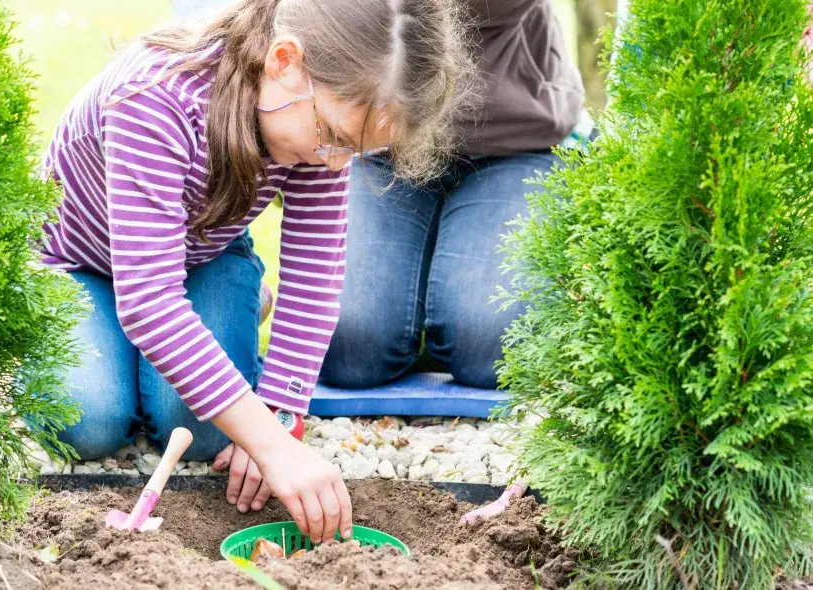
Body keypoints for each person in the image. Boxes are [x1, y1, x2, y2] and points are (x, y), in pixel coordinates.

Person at [38, 0, 464, 543]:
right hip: (79, 264)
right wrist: (271, 447)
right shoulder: (155, 97)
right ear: (285, 61)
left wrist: (280, 417)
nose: (337, 164)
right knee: (87, 422)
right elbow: (148, 301)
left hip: (201, 257)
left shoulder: (313, 124)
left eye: (353, 152)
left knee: (200, 429)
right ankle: (137, 336)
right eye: (334, 138)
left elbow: (315, 277)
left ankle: (184, 330)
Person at [316, 0, 591, 520]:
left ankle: (443, 306)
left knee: (492, 345)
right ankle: (414, 309)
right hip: (378, 130)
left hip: (514, 134)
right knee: (350, 345)